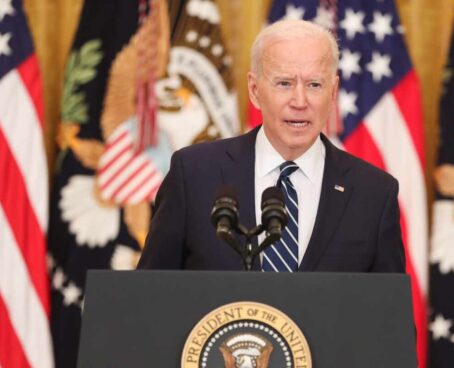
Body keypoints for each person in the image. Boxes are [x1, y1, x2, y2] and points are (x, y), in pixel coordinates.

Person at [137, 19, 405, 272]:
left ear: (333, 92)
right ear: (254, 90)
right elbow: (151, 296)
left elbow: (388, 316)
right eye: (284, 83)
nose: (300, 101)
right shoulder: (194, 174)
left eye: (314, 84)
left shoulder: (374, 193)